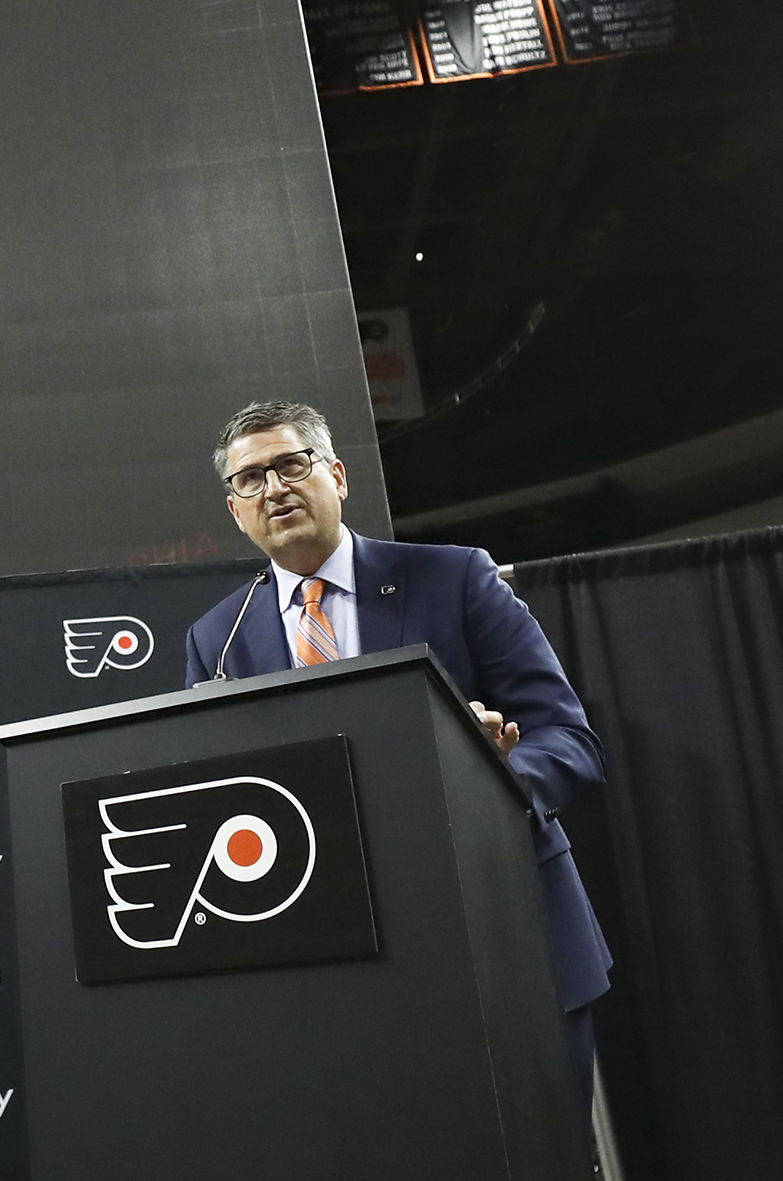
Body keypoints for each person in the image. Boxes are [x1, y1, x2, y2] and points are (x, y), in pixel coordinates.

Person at [183, 399, 613, 1095]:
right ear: (236, 511)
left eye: (291, 465)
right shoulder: (217, 640)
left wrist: (492, 785)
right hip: (339, 974)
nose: (275, 489)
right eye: (251, 480)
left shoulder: (453, 578)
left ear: (338, 476)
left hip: (503, 940)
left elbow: (568, 738)